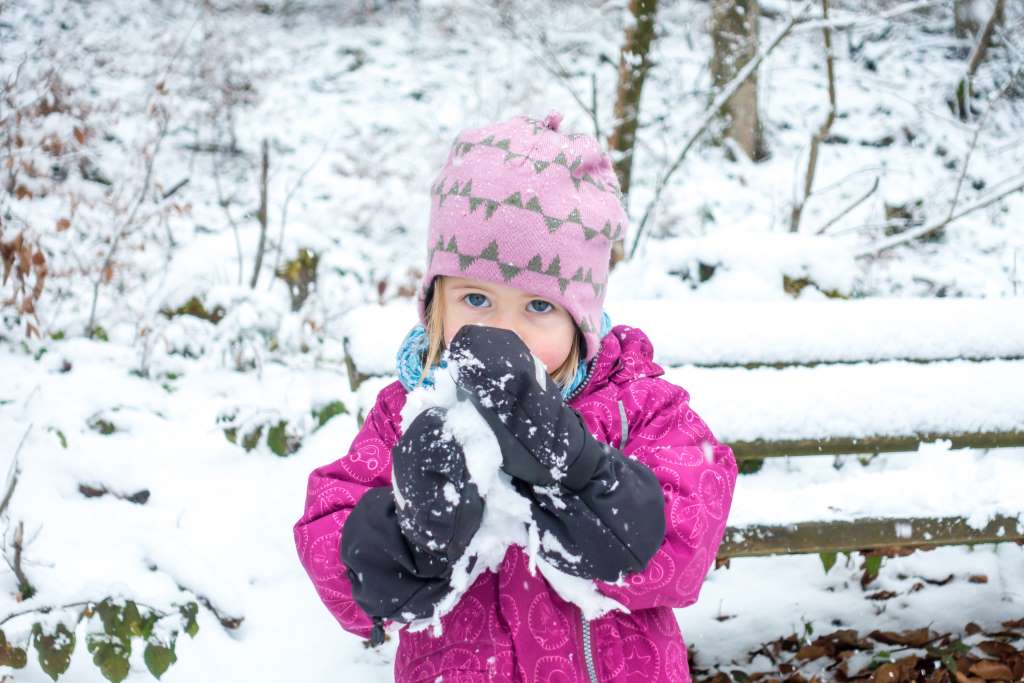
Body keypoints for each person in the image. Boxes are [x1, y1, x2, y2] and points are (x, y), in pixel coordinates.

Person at [294, 111, 738, 683]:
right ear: (437, 305)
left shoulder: (634, 405)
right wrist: (408, 536)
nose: (505, 331)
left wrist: (582, 472)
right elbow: (333, 549)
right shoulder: (407, 414)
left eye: (537, 306)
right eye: (476, 300)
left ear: (582, 320)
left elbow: (687, 541)